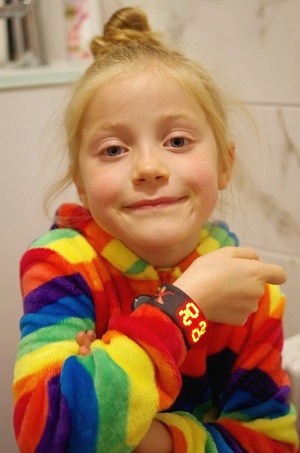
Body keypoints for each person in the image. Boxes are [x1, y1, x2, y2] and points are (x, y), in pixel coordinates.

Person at [13, 6, 299, 453]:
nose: (148, 167)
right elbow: (49, 433)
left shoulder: (250, 295)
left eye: (178, 141)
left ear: (225, 163)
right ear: (82, 185)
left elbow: (272, 443)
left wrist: (149, 437)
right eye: (113, 149)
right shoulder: (62, 266)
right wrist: (186, 308)